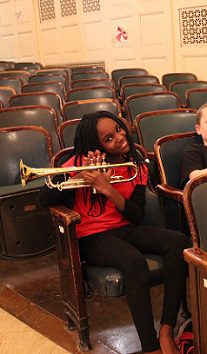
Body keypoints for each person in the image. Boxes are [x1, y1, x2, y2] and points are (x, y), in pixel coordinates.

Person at [38, 111, 188, 354]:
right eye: (108, 138)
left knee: (178, 241)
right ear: (97, 145)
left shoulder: (135, 163)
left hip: (124, 229)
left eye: (119, 129)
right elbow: (43, 199)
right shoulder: (78, 162)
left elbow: (136, 215)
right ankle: (150, 347)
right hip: (90, 237)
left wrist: (108, 189)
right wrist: (77, 173)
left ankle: (167, 329)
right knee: (133, 261)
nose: (119, 137)